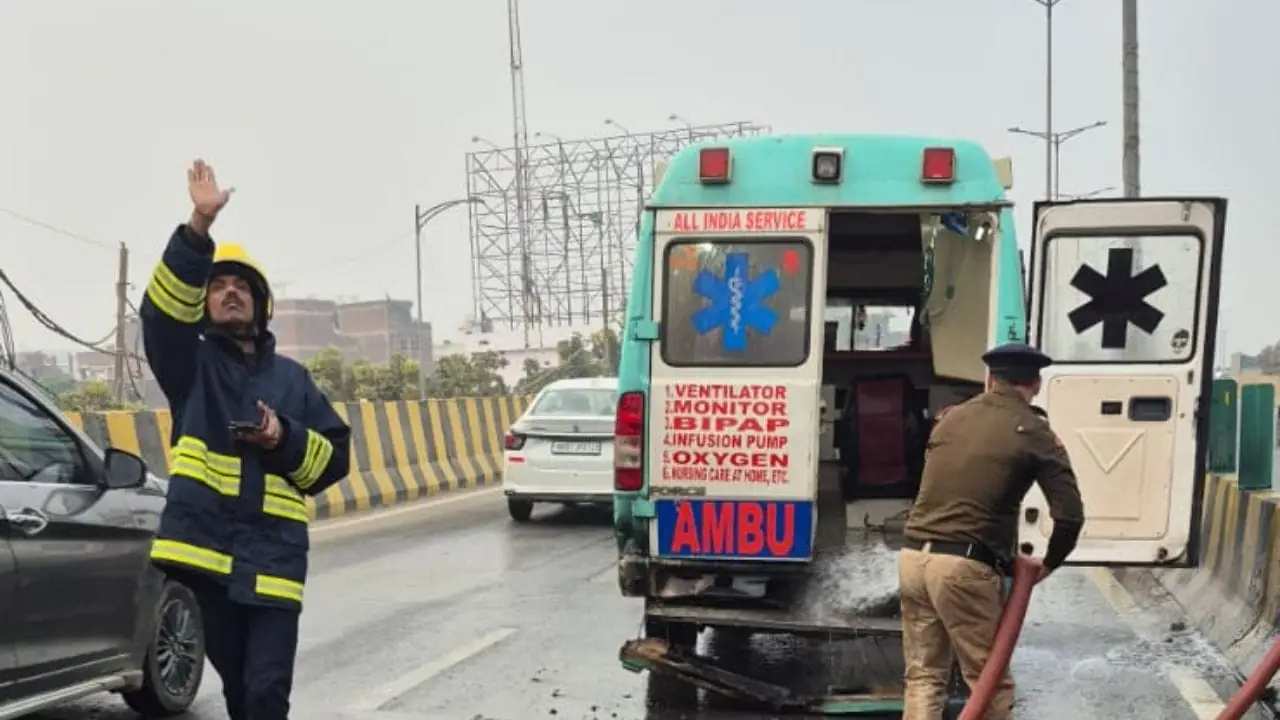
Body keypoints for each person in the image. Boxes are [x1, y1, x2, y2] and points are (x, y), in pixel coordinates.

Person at [140, 159, 352, 720]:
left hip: (275, 566)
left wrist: (283, 437)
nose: (230, 294)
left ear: (260, 304)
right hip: (207, 560)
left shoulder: (293, 380)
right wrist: (197, 228)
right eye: (219, 287)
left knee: (265, 693)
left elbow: (333, 462)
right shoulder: (189, 367)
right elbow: (161, 316)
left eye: (242, 287)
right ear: (204, 303)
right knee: (240, 694)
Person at [897, 342, 1086, 719]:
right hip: (964, 568)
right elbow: (1070, 515)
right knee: (989, 682)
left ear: (990, 378)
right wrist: (1047, 565)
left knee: (924, 677)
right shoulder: (1033, 429)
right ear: (1035, 383)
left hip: (913, 558)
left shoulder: (951, 418)